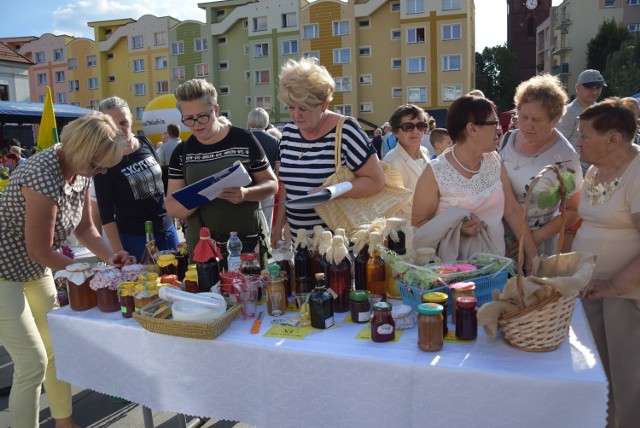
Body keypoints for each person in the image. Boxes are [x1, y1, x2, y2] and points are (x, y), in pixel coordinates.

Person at [0, 112, 131, 428]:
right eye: (97, 166)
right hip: (4, 271)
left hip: (33, 269)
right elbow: (40, 249)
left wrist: (110, 257)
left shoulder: (82, 169)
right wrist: (91, 273)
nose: (100, 172)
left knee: (56, 348)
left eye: (103, 167)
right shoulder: (41, 175)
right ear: (82, 152)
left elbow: (86, 228)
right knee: (32, 363)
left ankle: (64, 422)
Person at [573, 98, 640, 428]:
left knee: (630, 384)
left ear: (614, 139)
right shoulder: (597, 170)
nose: (578, 142)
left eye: (584, 135)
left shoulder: (638, 172)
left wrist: (613, 286)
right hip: (594, 291)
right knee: (602, 382)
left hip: (626, 297)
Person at [272, 57, 385, 244]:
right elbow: (288, 184)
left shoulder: (346, 130)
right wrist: (278, 227)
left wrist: (332, 191)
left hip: (340, 246)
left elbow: (376, 181)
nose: (296, 115)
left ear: (324, 104)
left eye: (304, 108)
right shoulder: (290, 132)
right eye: (290, 107)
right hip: (301, 242)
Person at [412, 95, 536, 264]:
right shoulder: (436, 172)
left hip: (497, 268)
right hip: (453, 275)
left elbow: (512, 210)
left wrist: (532, 257)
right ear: (472, 129)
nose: (499, 129)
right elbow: (418, 226)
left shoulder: (494, 160)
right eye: (494, 123)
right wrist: (457, 227)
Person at [166, 79, 278, 264]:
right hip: (204, 251)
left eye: (202, 116)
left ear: (216, 111)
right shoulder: (182, 152)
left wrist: (246, 193)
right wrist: (198, 197)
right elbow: (171, 206)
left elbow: (272, 184)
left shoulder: (244, 139)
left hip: (247, 246)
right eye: (188, 118)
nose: (196, 124)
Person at [499, 74, 583, 258]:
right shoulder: (507, 140)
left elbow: (573, 210)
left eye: (536, 120)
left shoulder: (565, 159)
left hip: (538, 246)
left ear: (555, 120)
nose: (527, 125)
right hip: (499, 239)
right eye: (523, 116)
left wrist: (534, 239)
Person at [95, 96, 179, 261]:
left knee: (178, 279)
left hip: (167, 230)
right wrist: (119, 251)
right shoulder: (104, 162)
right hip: (135, 239)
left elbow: (162, 184)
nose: (120, 130)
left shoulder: (145, 143)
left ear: (131, 119)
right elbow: (106, 214)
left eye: (124, 122)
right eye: (112, 125)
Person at [382, 104, 431, 223]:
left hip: (430, 227)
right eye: (408, 126)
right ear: (395, 132)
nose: (415, 131)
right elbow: (388, 210)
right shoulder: (391, 163)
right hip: (407, 232)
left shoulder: (425, 152)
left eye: (420, 126)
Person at [556, 69, 605, 164]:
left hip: (595, 169)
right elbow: (558, 144)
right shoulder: (569, 112)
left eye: (598, 87)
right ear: (577, 88)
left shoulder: (600, 109)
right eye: (589, 88)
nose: (594, 92)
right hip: (576, 170)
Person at [247, 107, 280, 237]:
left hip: (247, 184)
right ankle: (265, 246)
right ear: (266, 122)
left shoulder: (243, 137)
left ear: (249, 121)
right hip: (268, 182)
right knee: (266, 218)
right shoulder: (274, 141)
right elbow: (278, 166)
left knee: (250, 218)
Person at [157, 123, 182, 194]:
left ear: (168, 134)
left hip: (169, 179)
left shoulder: (163, 147)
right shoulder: (186, 145)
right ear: (180, 132)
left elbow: (161, 164)